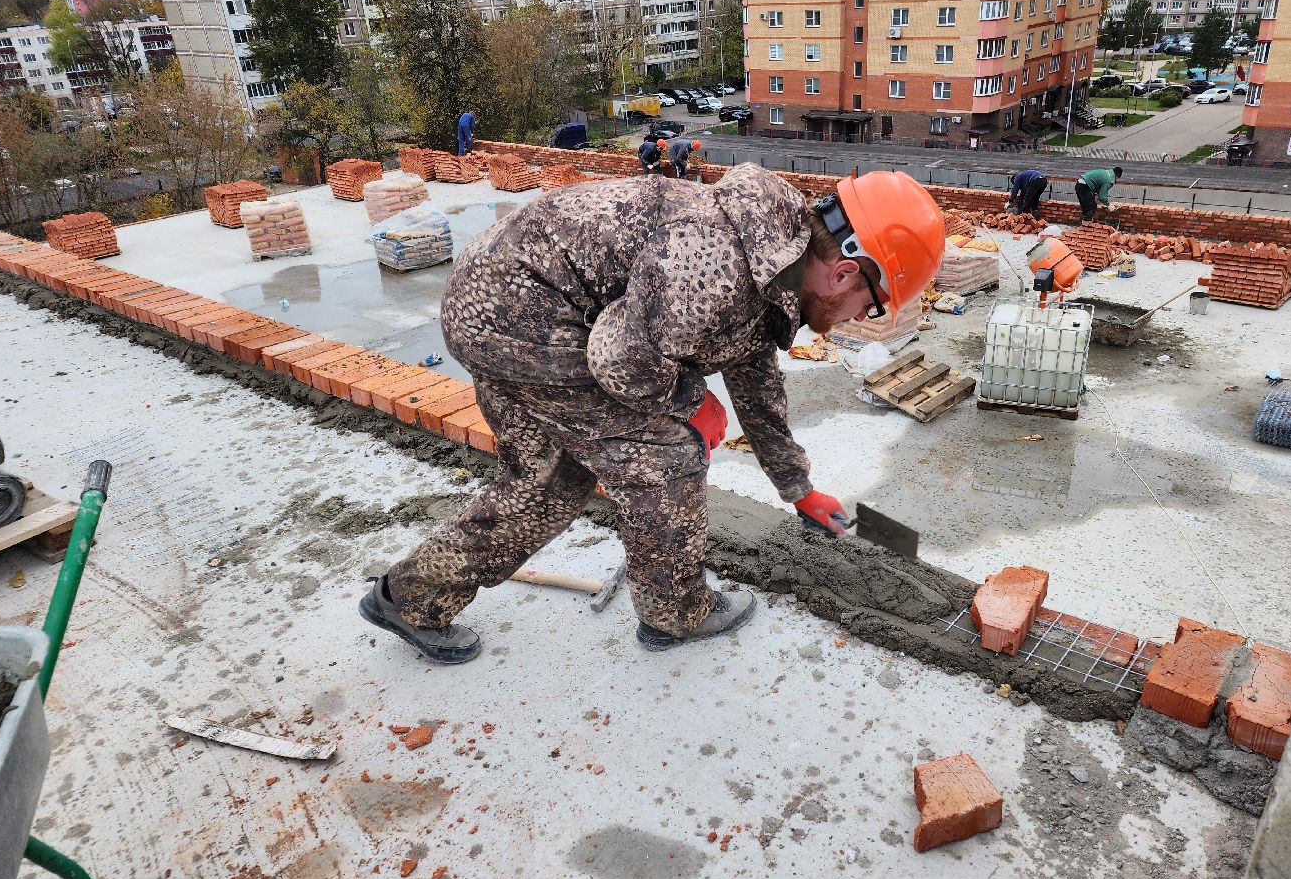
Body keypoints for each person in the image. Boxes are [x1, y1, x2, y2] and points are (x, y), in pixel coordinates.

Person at [358, 165, 946, 662]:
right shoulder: (718, 262)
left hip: (511, 309)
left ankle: (408, 598)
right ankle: (676, 613)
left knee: (548, 483)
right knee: (666, 456)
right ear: (845, 272)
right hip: (520, 318)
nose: (856, 321)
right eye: (869, 308)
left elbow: (754, 372)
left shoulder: (777, 256)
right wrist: (693, 404)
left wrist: (798, 487)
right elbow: (619, 360)